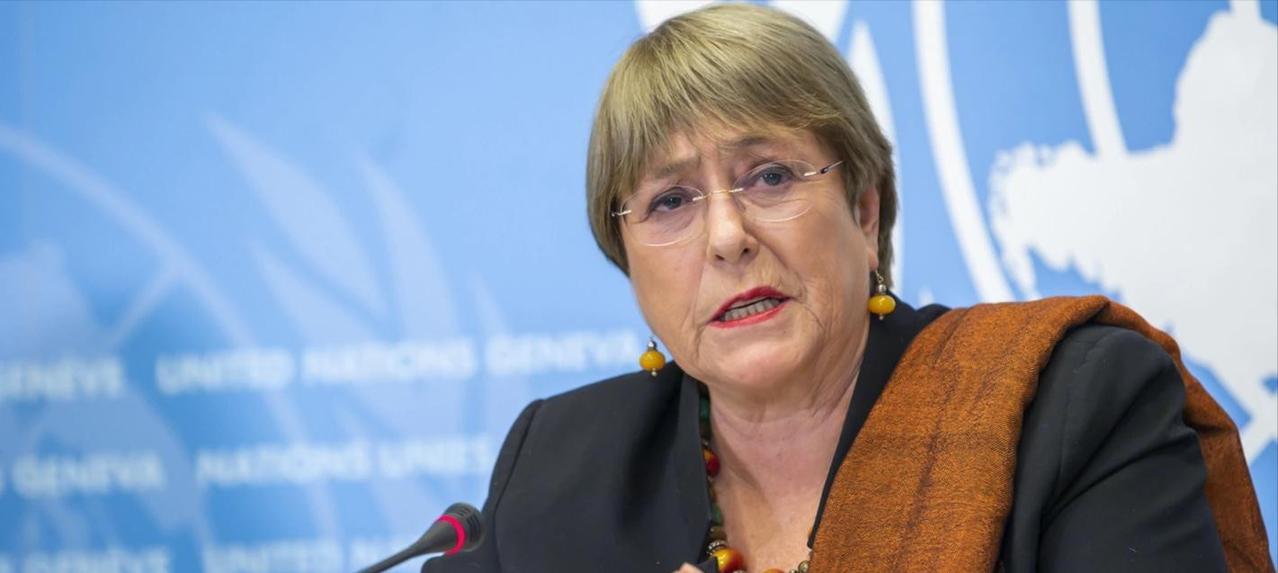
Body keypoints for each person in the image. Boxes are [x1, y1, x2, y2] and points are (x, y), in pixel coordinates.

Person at [423, 4, 1271, 572]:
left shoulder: (1071, 405)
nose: (727, 236)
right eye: (670, 201)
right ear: (626, 257)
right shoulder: (557, 467)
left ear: (865, 212)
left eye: (770, 176)